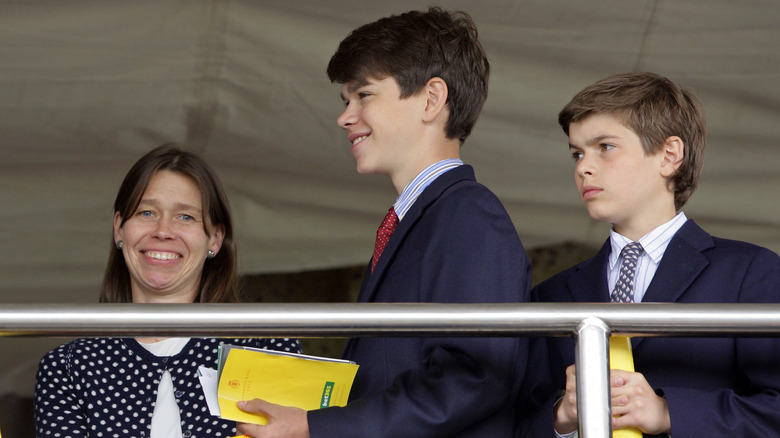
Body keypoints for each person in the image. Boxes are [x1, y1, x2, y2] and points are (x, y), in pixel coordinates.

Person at [236, 7, 536, 438]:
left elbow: (472, 378)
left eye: (364, 95)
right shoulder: (422, 217)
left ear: (432, 99)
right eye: (345, 100)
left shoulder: (469, 216)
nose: (345, 116)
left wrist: (316, 425)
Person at [532, 72, 780, 437]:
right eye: (577, 153)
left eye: (605, 147)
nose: (583, 166)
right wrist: (561, 418)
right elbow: (512, 420)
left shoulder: (751, 272)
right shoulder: (552, 294)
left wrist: (668, 412)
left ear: (669, 155)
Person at [34, 144, 301, 438]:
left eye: (185, 217)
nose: (163, 230)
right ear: (119, 228)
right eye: (146, 212)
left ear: (215, 238)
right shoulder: (69, 367)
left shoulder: (266, 349)